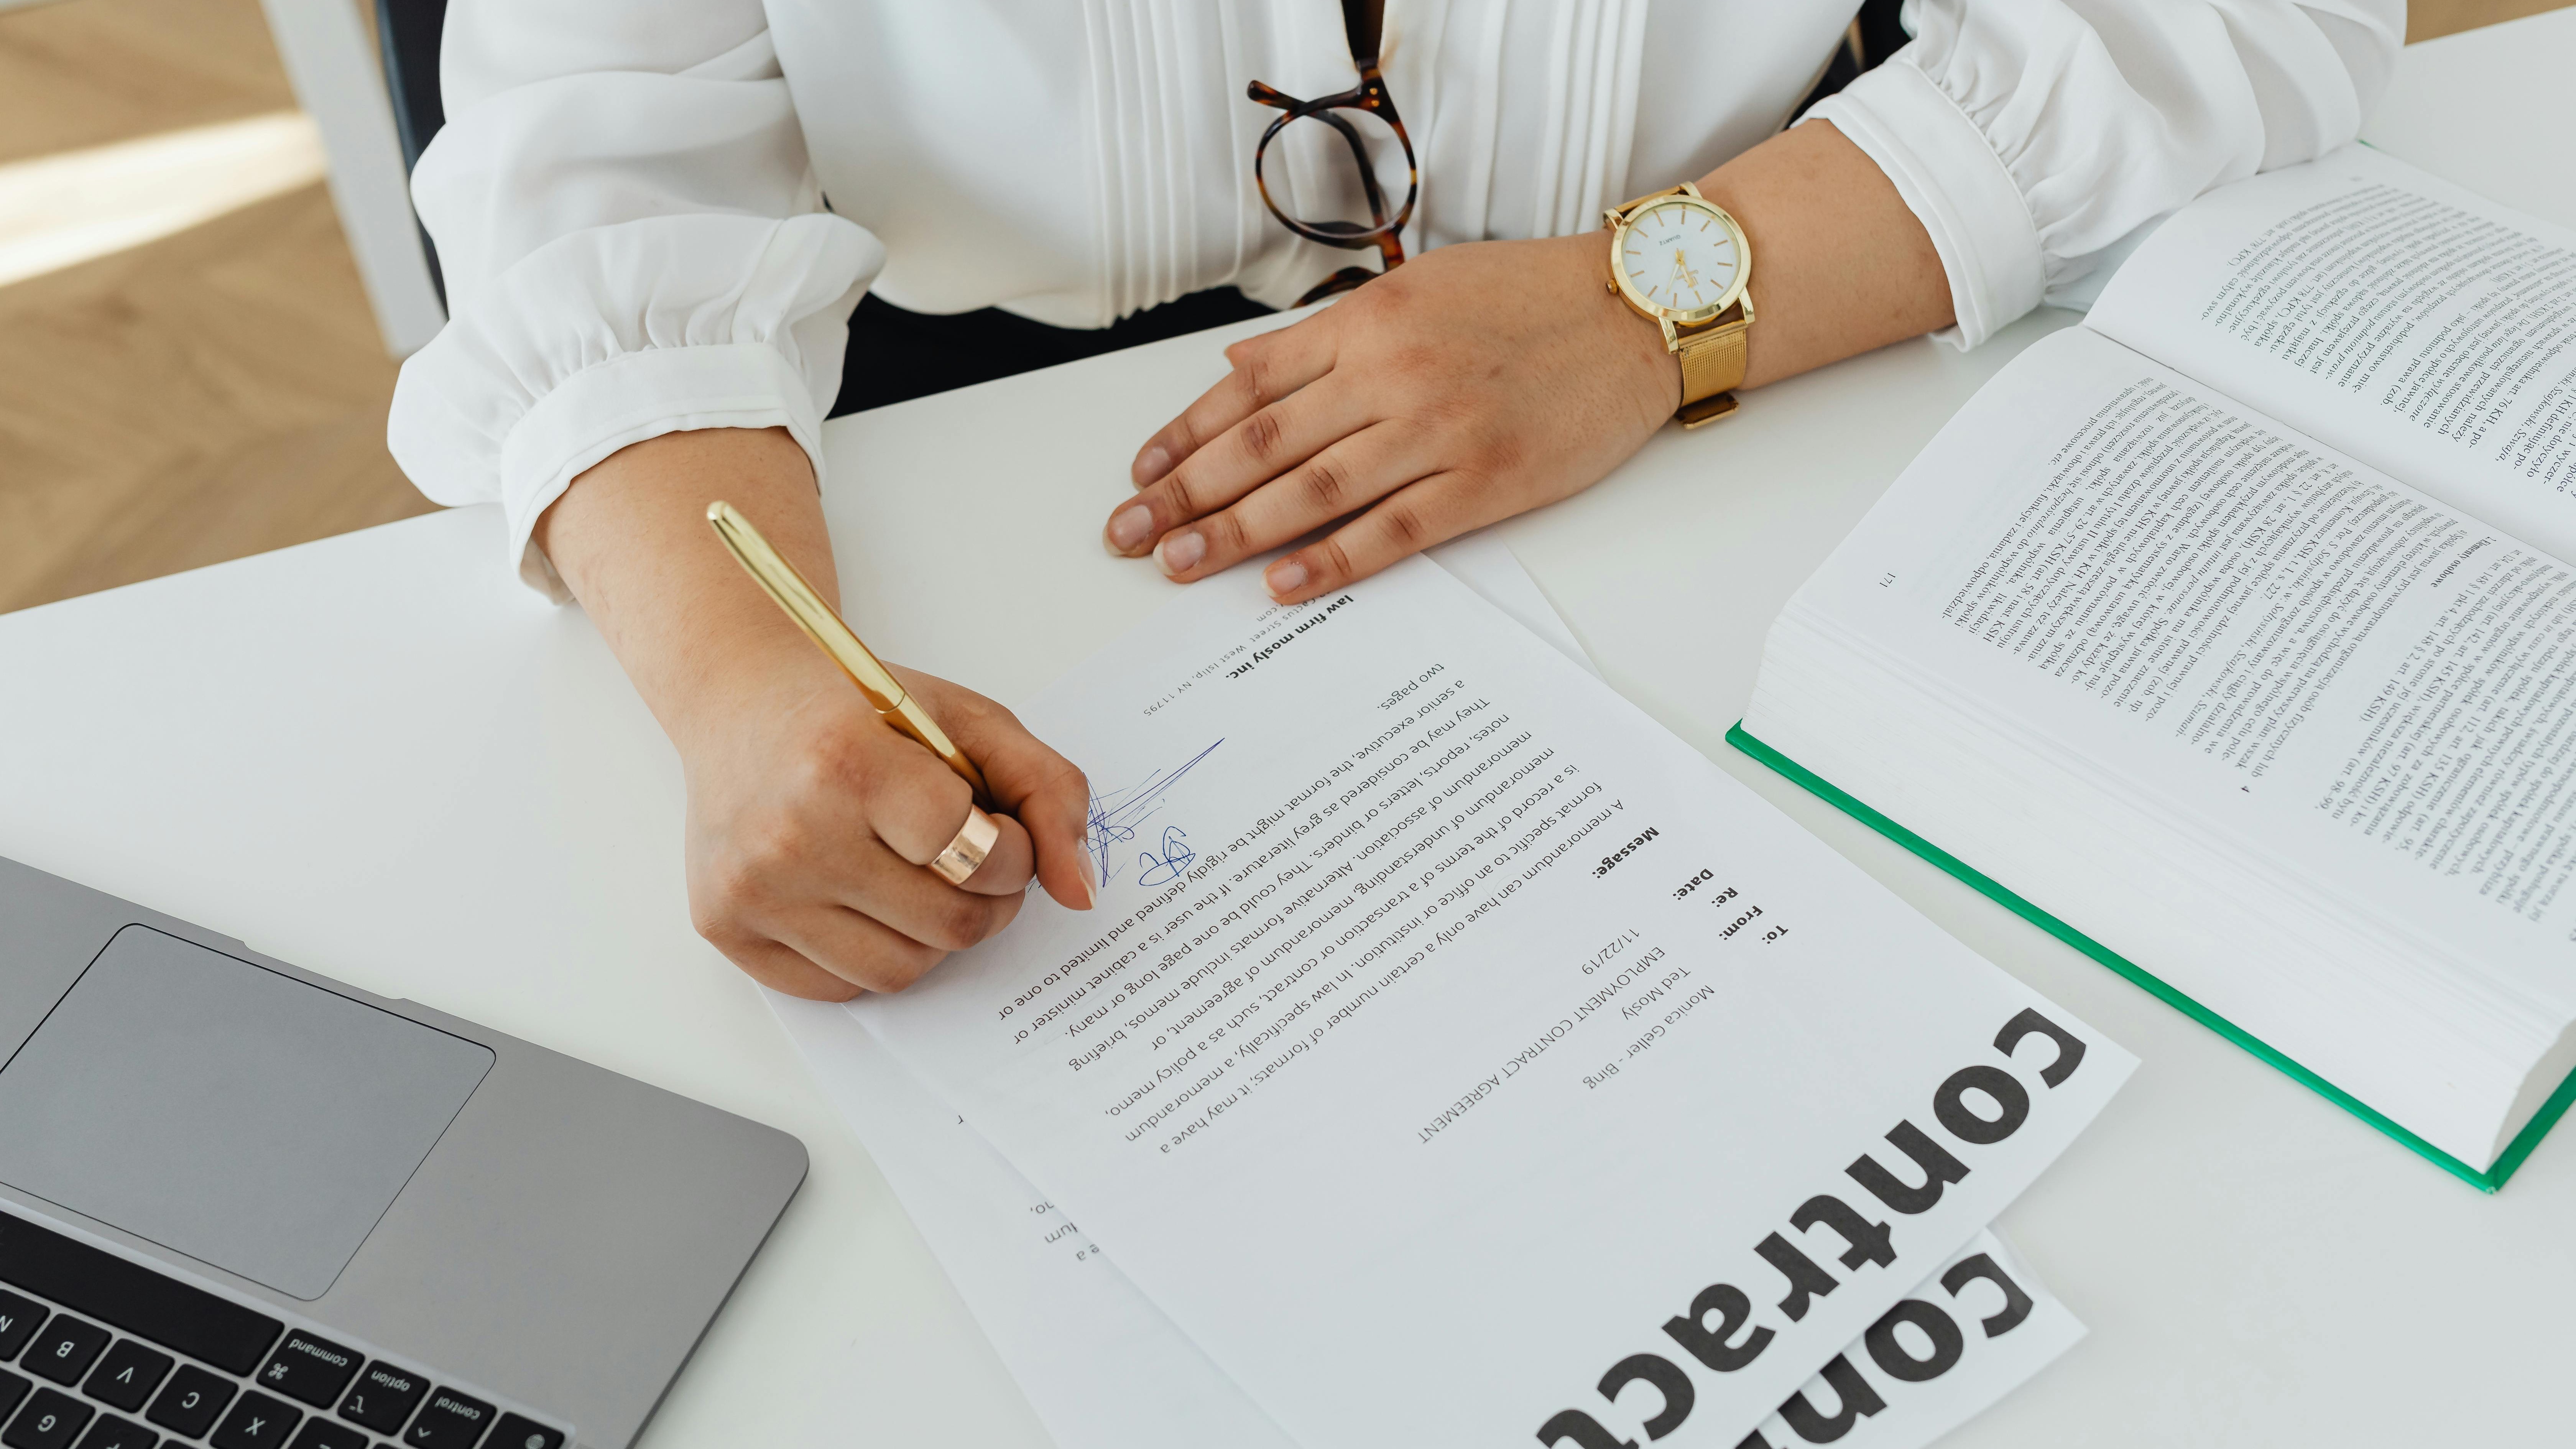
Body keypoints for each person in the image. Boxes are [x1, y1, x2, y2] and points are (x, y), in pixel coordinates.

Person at [388, 0, 2403, 1002]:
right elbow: (596, 170)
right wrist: (744, 682)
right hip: (925, 415)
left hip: (1758, 333)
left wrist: (1646, 302)